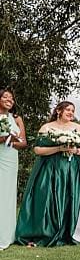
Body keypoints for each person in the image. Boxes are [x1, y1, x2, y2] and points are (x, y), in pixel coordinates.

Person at [14, 101, 80, 247]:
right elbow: (38, 150)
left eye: (73, 111)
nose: (71, 113)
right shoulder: (47, 127)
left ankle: (68, 230)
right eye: (68, 110)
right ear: (58, 111)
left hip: (71, 168)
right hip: (48, 168)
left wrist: (75, 151)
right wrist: (58, 148)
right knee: (47, 198)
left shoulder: (77, 128)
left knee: (69, 197)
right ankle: (45, 231)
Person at [0, 88, 28, 250]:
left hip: (10, 159)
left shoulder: (16, 119)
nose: (9, 100)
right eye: (5, 97)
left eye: (11, 98)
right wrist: (4, 138)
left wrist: (10, 140)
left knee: (8, 195)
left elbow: (23, 143)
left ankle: (7, 235)